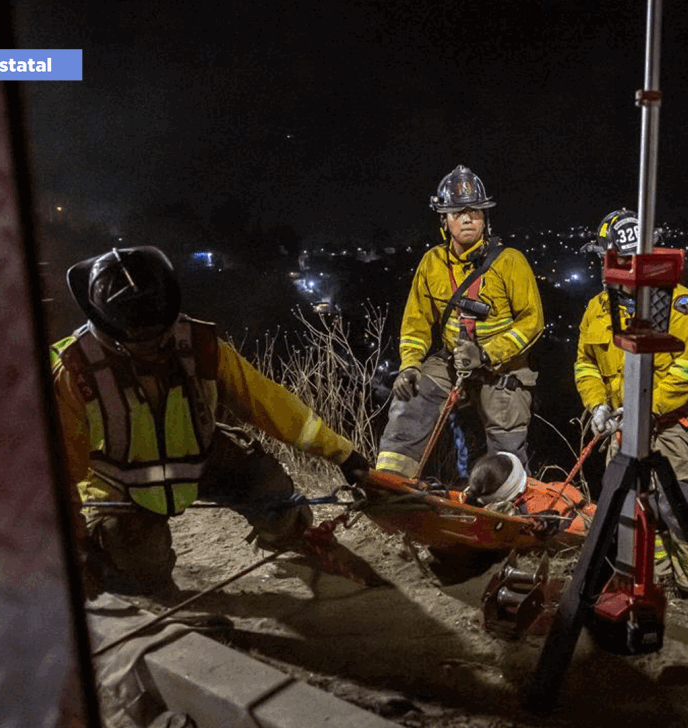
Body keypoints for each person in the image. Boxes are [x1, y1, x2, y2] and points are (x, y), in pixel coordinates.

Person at [50, 246, 371, 598]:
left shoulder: (200, 345)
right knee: (138, 564)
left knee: (273, 493)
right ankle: (134, 581)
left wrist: (343, 455)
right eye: (139, 335)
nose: (153, 344)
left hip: (199, 456)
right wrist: (76, 544)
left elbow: (268, 404)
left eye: (158, 331)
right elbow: (57, 470)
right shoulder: (74, 371)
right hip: (116, 482)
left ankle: (287, 537)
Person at [575, 209, 688, 611]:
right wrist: (598, 405)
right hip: (621, 427)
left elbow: (686, 373)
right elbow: (586, 362)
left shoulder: (680, 303)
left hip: (671, 428)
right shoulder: (598, 308)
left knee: (678, 508)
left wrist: (640, 408)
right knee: (634, 512)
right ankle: (654, 589)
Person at [376, 165, 543, 479]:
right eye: (458, 213)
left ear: (485, 218)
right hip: (452, 360)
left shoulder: (510, 262)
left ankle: (508, 506)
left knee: (506, 445)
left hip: (501, 368)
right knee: (412, 395)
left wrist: (487, 353)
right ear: (445, 220)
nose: (467, 219)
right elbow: (416, 322)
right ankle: (391, 481)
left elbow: (532, 322)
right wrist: (410, 364)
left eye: (475, 212)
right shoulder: (432, 263)